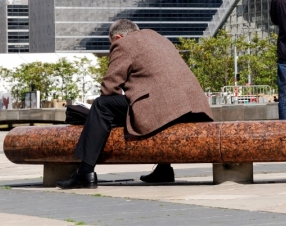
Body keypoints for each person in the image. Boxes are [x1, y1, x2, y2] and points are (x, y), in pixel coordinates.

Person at [56, 19, 213, 189]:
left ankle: (84, 173)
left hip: (165, 107)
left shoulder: (124, 44)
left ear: (117, 37)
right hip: (195, 107)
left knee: (102, 105)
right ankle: (164, 169)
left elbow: (109, 88)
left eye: (111, 45)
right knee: (158, 105)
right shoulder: (158, 38)